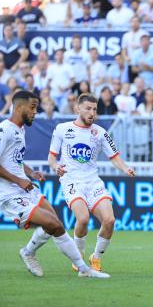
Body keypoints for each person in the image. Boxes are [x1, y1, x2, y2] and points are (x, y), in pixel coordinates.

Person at [1, 91, 109, 278]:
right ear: (19, 107)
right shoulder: (4, 130)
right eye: (33, 107)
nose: (36, 112)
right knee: (54, 225)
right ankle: (84, 269)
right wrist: (20, 180)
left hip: (25, 188)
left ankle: (28, 252)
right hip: (9, 193)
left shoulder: (20, 129)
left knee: (54, 223)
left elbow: (13, 160)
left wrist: (30, 173)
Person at [48, 94, 135, 273]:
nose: (92, 112)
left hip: (93, 181)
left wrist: (125, 169)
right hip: (71, 180)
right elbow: (51, 157)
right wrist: (56, 166)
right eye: (88, 108)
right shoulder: (62, 129)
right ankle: (78, 258)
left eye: (94, 109)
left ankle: (95, 257)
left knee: (110, 220)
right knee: (83, 218)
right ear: (77, 109)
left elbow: (115, 157)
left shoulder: (100, 132)